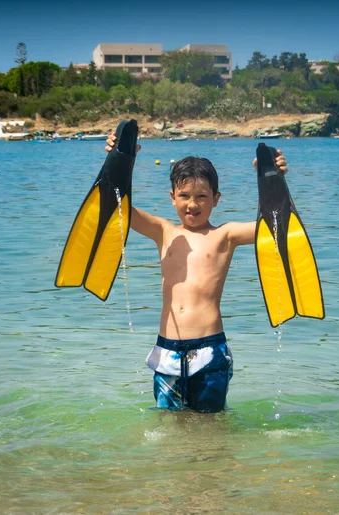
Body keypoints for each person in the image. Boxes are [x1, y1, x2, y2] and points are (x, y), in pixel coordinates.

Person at [105, 133, 288, 413]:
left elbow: (276, 226)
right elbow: (118, 207)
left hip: (210, 349)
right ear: (172, 198)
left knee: (211, 424)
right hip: (167, 350)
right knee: (168, 423)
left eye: (202, 197)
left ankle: (217, 457)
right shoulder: (163, 231)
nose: (193, 204)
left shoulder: (224, 235)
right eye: (184, 196)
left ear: (216, 199)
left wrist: (272, 178)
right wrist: (119, 160)